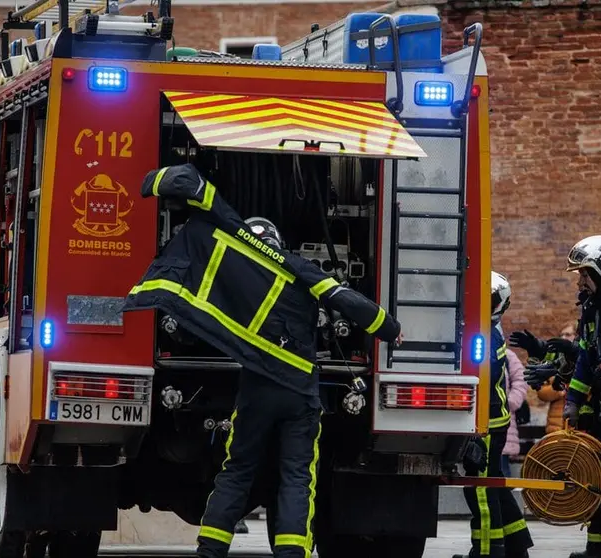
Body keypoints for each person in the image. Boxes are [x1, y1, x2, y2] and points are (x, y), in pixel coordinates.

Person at [122, 164, 402, 558]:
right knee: (296, 478)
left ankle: (210, 550)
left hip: (256, 391)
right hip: (301, 395)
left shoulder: (237, 268)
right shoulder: (296, 267)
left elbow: (208, 204)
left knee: (236, 471)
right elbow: (344, 299)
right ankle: (290, 553)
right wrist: (388, 327)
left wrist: (156, 181)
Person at [514, 235, 601, 558]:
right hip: (597, 409)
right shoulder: (594, 308)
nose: (580, 281)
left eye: (585, 273)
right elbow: (585, 358)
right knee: (595, 478)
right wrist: (573, 401)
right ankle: (599, 549)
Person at [455, 272, 533, 558]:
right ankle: (516, 546)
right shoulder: (489, 330)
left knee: (481, 491)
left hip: (486, 424)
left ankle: (488, 550)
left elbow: (483, 382)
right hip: (492, 423)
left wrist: (477, 428)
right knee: (496, 485)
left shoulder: (482, 335)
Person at [500, 347, 528, 472]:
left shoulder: (507, 355)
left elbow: (521, 379)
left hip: (504, 420)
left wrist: (510, 402)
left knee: (500, 473)